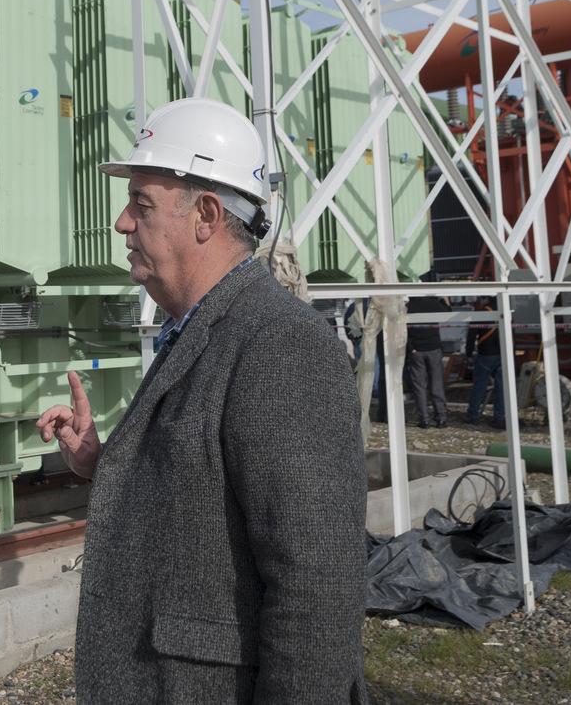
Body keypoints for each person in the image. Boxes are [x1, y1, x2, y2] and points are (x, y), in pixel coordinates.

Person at [37, 98, 366, 704]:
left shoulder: (278, 343)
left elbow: (316, 585)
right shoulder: (201, 327)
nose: (122, 223)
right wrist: (103, 462)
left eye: (142, 205)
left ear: (207, 214)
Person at [405, 270, 449, 428]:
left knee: (419, 387)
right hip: (434, 350)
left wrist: (411, 349)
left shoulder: (408, 307)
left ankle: (423, 420)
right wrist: (442, 300)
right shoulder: (432, 304)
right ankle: (441, 418)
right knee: (436, 385)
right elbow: (448, 314)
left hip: (417, 351)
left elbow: (403, 332)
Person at [464, 302, 507, 430]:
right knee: (502, 388)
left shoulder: (481, 313)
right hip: (503, 355)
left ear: (485, 298)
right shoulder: (506, 312)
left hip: (486, 356)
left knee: (480, 386)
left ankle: (473, 415)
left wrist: (469, 353)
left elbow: (471, 335)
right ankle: (500, 417)